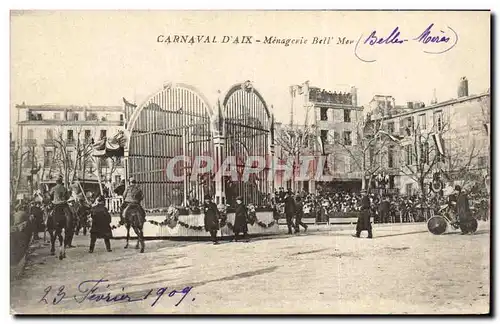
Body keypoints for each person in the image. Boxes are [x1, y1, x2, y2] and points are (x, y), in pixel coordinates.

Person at [50, 176, 75, 247]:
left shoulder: (53, 188)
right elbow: (67, 197)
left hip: (56, 205)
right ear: (61, 182)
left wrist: (54, 199)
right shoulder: (64, 188)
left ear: (56, 182)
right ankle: (70, 224)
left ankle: (47, 224)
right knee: (70, 214)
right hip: (64, 205)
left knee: (50, 214)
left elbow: (50, 196)